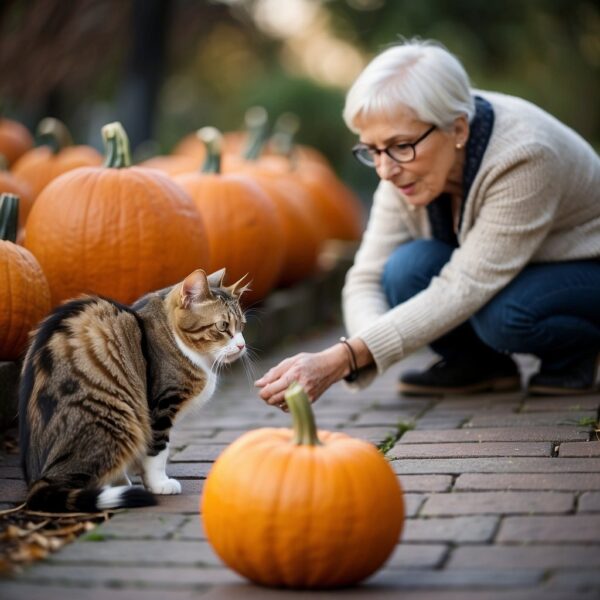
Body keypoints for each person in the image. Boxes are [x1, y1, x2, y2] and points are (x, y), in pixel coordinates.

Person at [255, 38, 600, 409]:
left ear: (459, 130)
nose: (385, 170)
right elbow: (367, 276)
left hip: (584, 270)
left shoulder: (526, 155)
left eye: (401, 145)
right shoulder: (403, 163)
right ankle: (479, 368)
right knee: (404, 269)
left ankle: (575, 356)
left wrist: (345, 358)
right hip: (514, 272)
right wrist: (366, 346)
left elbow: (466, 285)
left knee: (508, 314)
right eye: (372, 150)